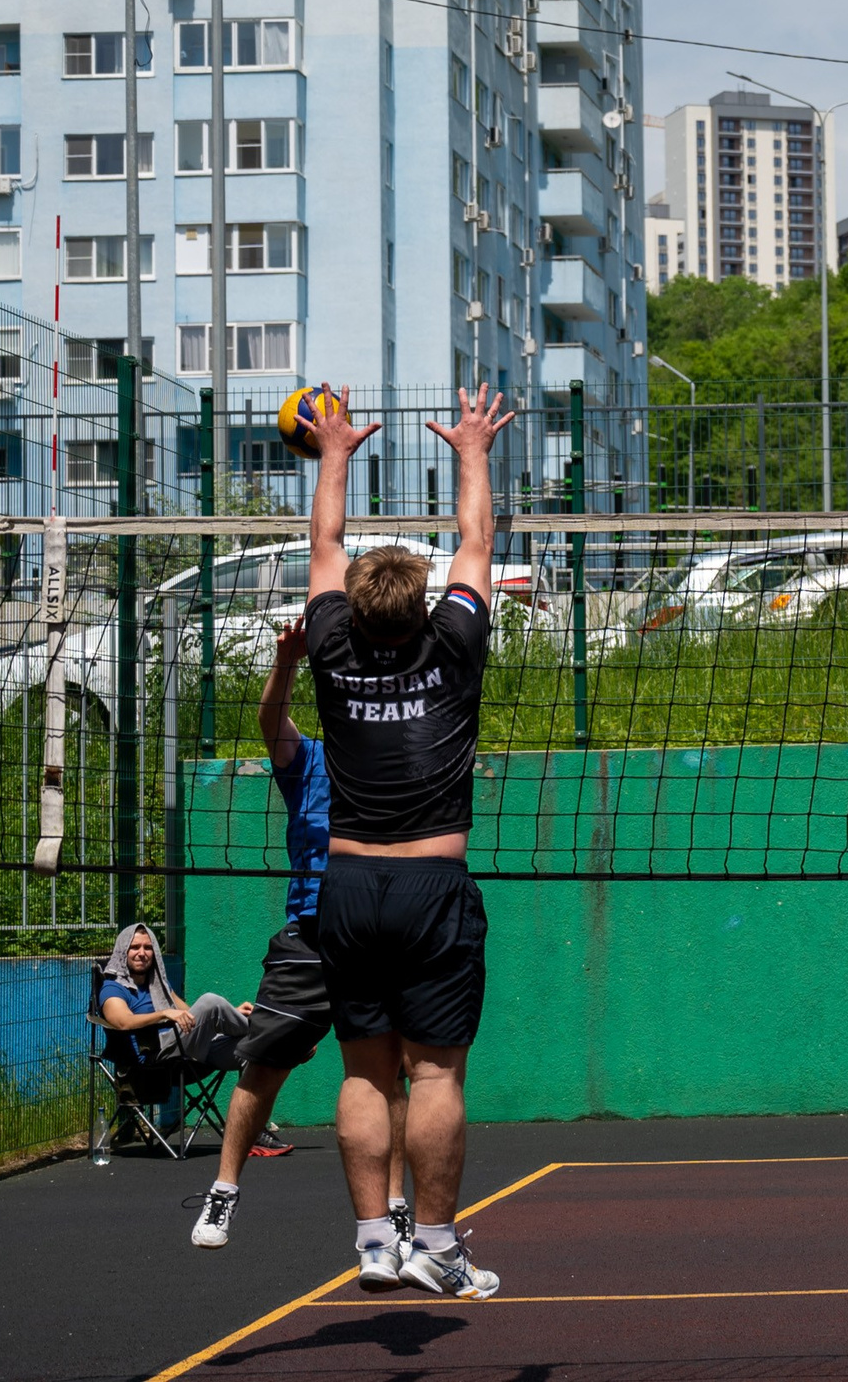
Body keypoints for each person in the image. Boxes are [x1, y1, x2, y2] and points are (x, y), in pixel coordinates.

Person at [304, 384, 513, 1299]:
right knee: (433, 1071)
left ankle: (372, 1243)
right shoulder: (453, 644)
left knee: (362, 1067)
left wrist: (335, 453)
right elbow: (476, 541)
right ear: (424, 605)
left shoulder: (329, 648)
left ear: (353, 608)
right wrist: (473, 447)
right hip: (431, 887)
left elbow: (323, 546)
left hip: (346, 887)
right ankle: (434, 1240)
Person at [190, 620, 409, 1252]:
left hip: (375, 935)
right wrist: (287, 660)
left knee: (388, 1076)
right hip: (310, 936)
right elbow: (271, 723)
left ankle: (395, 1208)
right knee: (262, 1065)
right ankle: (224, 1191)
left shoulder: (392, 757)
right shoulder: (307, 760)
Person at [96, 923, 250, 1099]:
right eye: (134, 947)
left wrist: (229, 1013)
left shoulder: (158, 984)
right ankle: (263, 1029)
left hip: (186, 1047)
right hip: (155, 1055)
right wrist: (163, 1014)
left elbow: (193, 1015)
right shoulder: (113, 988)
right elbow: (123, 1022)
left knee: (253, 1049)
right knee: (210, 1000)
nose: (142, 953)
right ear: (123, 951)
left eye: (148, 947)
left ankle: (252, 1125)